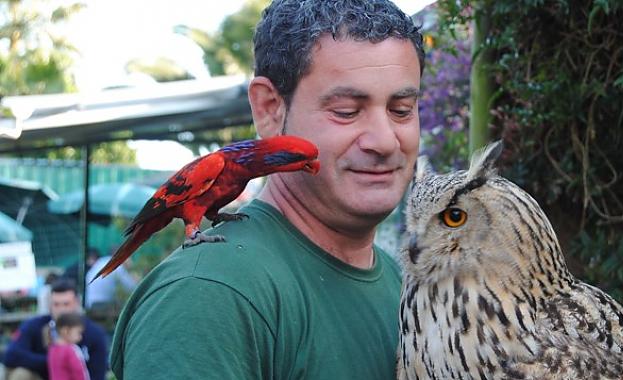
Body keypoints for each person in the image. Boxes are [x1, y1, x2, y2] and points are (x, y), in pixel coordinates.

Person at [109, 0, 424, 379]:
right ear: (270, 109)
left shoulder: (401, 282)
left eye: (402, 109)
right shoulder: (209, 295)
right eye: (345, 110)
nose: (385, 141)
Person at [3, 279, 108, 380]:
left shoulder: (94, 333)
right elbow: (11, 355)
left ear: (76, 303)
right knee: (21, 374)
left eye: (66, 304)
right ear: (50, 305)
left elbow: (98, 374)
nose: (61, 310)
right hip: (43, 376)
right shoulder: (35, 326)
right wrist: (54, 360)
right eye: (56, 304)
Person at [47, 313, 89, 380]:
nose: (80, 337)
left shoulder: (52, 349)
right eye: (79, 332)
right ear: (65, 331)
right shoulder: (71, 350)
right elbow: (78, 371)